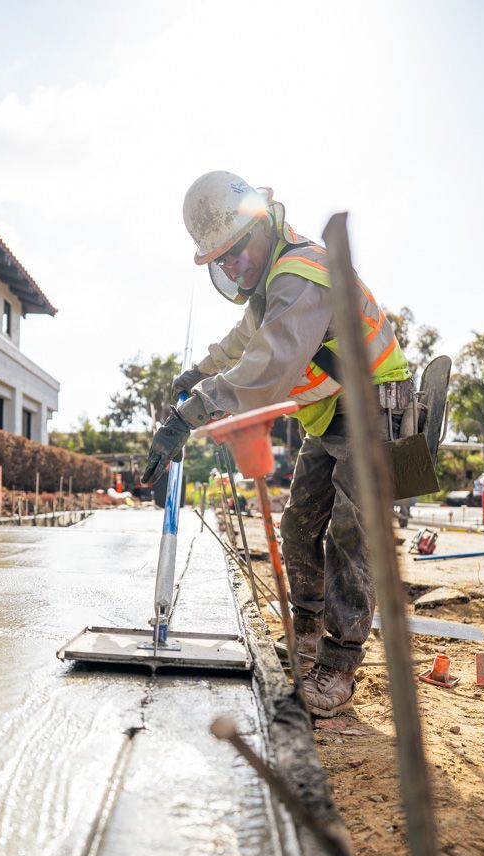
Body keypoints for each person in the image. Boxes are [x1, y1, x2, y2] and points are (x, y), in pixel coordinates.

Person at [142, 171, 413, 718]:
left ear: (261, 225)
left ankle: (338, 663)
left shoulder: (303, 274)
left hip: (378, 409)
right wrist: (195, 373)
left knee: (349, 530)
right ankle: (308, 632)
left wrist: (191, 412)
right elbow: (244, 342)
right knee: (299, 522)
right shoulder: (270, 286)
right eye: (220, 260)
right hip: (337, 412)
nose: (231, 266)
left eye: (235, 252)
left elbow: (268, 366)